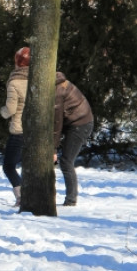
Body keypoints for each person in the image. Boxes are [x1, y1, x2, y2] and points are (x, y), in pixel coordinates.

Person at [53, 72, 94, 207]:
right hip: (78, 121)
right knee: (66, 161)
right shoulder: (59, 83)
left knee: (66, 161)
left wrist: (53, 148)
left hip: (80, 124)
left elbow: (57, 121)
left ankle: (71, 199)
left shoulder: (58, 91)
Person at [0, 47, 29, 206]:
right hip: (35, 131)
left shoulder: (15, 82)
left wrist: (2, 113)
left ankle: (20, 197)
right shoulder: (38, 79)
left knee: (9, 166)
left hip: (18, 129)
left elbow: (10, 108)